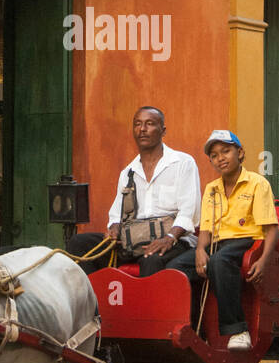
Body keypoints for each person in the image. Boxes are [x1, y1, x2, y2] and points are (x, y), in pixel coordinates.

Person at [171, 129, 279, 349]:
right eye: (214, 155)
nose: (220, 158)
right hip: (217, 245)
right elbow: (206, 230)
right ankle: (191, 328)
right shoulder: (212, 189)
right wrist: (200, 250)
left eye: (226, 151)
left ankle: (238, 331)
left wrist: (264, 260)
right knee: (176, 268)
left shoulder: (257, 183)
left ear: (240, 153)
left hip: (246, 242)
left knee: (220, 261)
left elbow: (270, 229)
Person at [68, 106, 201, 276]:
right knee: (78, 243)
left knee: (152, 258)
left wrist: (169, 238)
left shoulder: (182, 163)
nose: (142, 129)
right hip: (133, 240)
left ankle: (149, 303)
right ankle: (95, 300)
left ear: (163, 130)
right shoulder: (128, 172)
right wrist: (114, 228)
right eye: (137, 124)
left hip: (175, 239)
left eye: (150, 124)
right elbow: (116, 215)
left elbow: (189, 212)